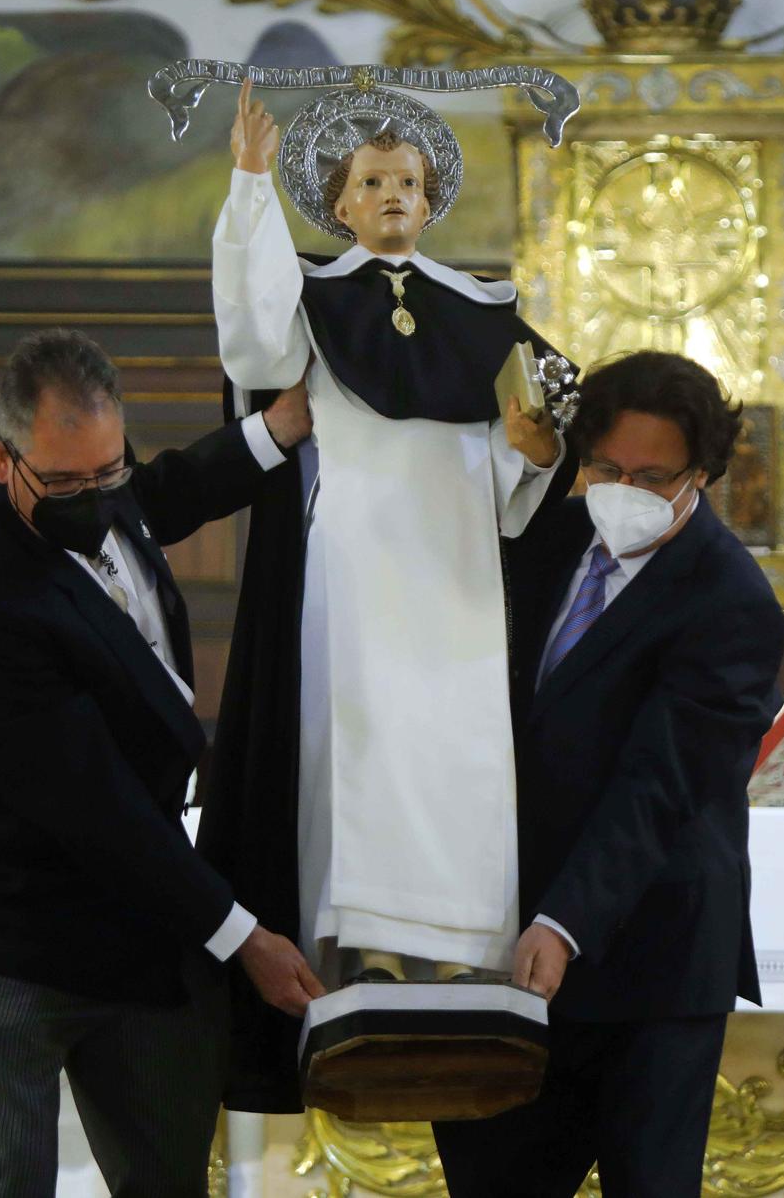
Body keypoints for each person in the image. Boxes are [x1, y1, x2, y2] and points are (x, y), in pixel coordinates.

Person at [199, 70, 573, 1103]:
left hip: (456, 571)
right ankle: (362, 959)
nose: (397, 194)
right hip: (354, 566)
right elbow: (252, 343)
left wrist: (536, 451)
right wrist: (246, 188)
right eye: (374, 179)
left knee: (458, 762)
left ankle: (462, 966)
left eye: (411, 179)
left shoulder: (484, 314)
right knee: (361, 757)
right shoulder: (311, 301)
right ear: (340, 201)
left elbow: (514, 477)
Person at [0, 329, 324, 1196]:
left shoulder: (93, 482)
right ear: (4, 459)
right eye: (66, 482)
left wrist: (278, 429)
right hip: (15, 929)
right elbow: (95, 805)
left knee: (166, 1174)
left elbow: (161, 493)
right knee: (12, 1175)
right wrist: (243, 936)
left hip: (137, 916)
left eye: (108, 470)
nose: (94, 497)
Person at [431, 351, 784, 1198]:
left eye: (651, 475)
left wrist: (563, 921)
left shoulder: (730, 599)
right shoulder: (545, 538)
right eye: (605, 467)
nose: (622, 488)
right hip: (505, 955)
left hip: (651, 967)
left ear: (700, 474)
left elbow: (659, 784)